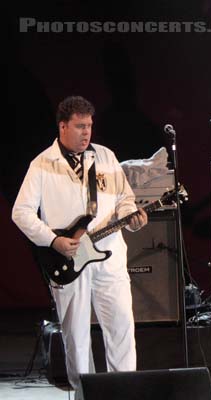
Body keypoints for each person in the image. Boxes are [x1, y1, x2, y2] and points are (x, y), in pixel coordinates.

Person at [12, 96, 147, 398]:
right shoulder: (42, 164)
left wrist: (131, 216)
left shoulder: (107, 157)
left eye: (90, 126)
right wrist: (53, 240)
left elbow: (124, 199)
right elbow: (20, 212)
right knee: (76, 335)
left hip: (109, 256)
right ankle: (85, 393)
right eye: (80, 126)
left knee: (122, 327)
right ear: (62, 126)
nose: (87, 133)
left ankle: (125, 391)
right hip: (68, 260)